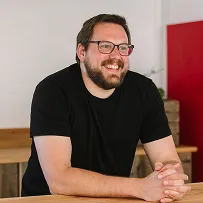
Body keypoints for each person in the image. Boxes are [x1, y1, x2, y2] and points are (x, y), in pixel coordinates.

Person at [22, 14, 191, 202]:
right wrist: (140, 187)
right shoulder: (52, 91)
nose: (116, 55)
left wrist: (169, 180)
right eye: (105, 46)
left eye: (123, 48)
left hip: (112, 199)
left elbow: (169, 160)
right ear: (81, 51)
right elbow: (59, 180)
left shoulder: (144, 91)